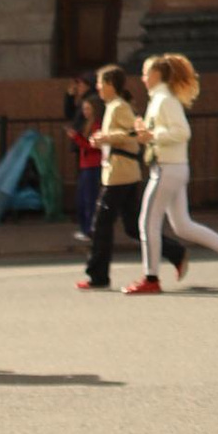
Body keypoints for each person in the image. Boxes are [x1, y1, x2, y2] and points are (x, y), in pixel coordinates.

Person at [127, 54, 218, 293]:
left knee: (147, 223)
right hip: (174, 167)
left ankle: (151, 279)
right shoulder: (160, 99)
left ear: (155, 74)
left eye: (145, 73)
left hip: (167, 169)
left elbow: (182, 132)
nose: (142, 78)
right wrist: (146, 133)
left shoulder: (163, 100)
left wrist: (152, 136)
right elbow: (165, 133)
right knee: (182, 225)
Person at [81, 64, 151, 289]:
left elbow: (136, 134)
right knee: (132, 225)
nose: (98, 87)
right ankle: (175, 252)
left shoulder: (120, 106)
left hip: (120, 174)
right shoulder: (112, 106)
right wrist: (103, 138)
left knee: (101, 224)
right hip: (119, 173)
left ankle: (98, 275)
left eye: (101, 83)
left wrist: (107, 137)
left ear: (111, 84)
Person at [63, 81, 102, 244]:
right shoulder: (87, 124)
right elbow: (69, 113)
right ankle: (86, 229)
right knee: (83, 199)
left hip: (93, 165)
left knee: (90, 199)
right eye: (84, 109)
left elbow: (93, 146)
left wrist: (76, 138)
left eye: (88, 109)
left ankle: (91, 231)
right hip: (86, 165)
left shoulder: (96, 125)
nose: (85, 112)